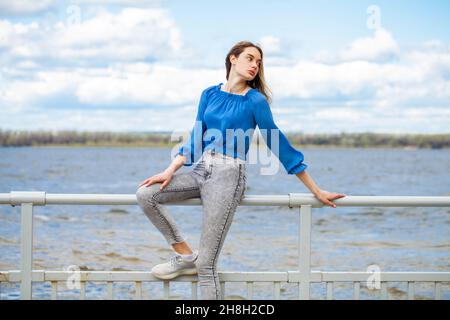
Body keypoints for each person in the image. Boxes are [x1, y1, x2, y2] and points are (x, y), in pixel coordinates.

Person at [136, 40, 346, 300]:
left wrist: (315, 190)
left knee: (207, 266)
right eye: (250, 58)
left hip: (229, 176)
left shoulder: (255, 101)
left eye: (259, 62)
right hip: (201, 169)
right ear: (233, 59)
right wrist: (170, 170)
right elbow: (196, 138)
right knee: (146, 195)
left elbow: (278, 142)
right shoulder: (209, 94)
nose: (255, 65)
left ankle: (197, 263)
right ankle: (184, 254)